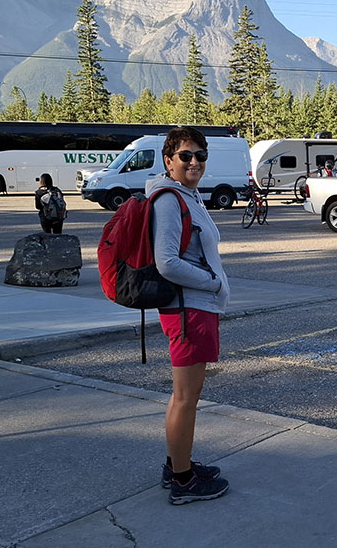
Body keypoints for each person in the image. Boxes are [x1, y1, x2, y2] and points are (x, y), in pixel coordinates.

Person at [150, 126, 231, 505]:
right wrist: (212, 283)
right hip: (188, 310)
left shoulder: (190, 196)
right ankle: (182, 482)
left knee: (185, 396)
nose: (194, 161)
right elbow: (166, 262)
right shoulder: (169, 200)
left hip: (195, 308)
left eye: (200, 155)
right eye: (185, 155)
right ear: (169, 161)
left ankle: (177, 464)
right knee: (185, 397)